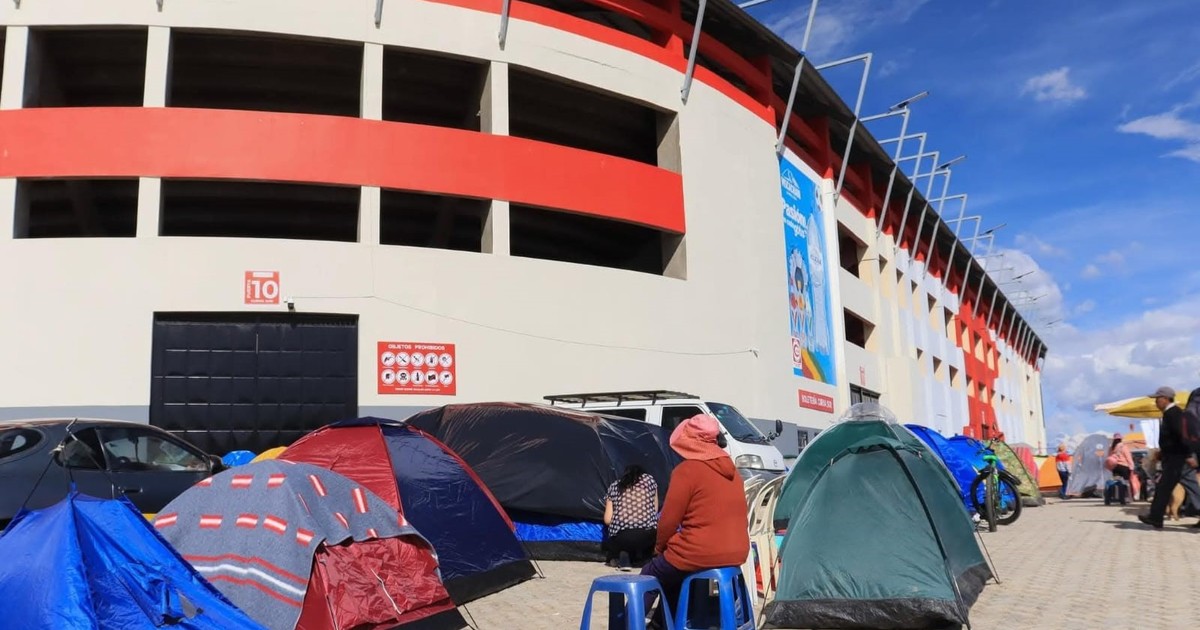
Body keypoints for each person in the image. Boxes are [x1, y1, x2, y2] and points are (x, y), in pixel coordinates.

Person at [641, 415, 750, 628]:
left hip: (699, 551)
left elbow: (668, 521)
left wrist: (658, 548)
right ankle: (660, 624)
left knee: (651, 573)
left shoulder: (687, 471)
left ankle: (626, 623)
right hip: (736, 552)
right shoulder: (734, 473)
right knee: (674, 575)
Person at [1139, 387, 1197, 528]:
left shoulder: (1174, 413)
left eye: (1157, 399)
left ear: (1165, 399)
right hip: (1175, 457)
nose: (1156, 402)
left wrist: (1188, 455)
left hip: (1177, 457)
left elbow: (1182, 435)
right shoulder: (1170, 413)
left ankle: (1155, 517)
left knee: (1164, 487)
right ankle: (1156, 517)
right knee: (1191, 488)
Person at [602, 465, 659, 569]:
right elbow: (654, 510)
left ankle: (622, 556)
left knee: (619, 544)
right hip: (648, 535)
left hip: (623, 536)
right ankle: (644, 559)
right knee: (646, 542)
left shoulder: (615, 486)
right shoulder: (650, 481)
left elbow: (607, 520)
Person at [1105, 433, 1139, 501]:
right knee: (1125, 483)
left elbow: (1109, 457)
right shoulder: (1123, 446)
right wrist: (1131, 467)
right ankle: (1126, 497)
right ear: (1121, 439)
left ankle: (1115, 497)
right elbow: (1128, 458)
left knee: (1116, 482)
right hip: (1124, 467)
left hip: (1114, 467)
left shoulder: (1111, 448)